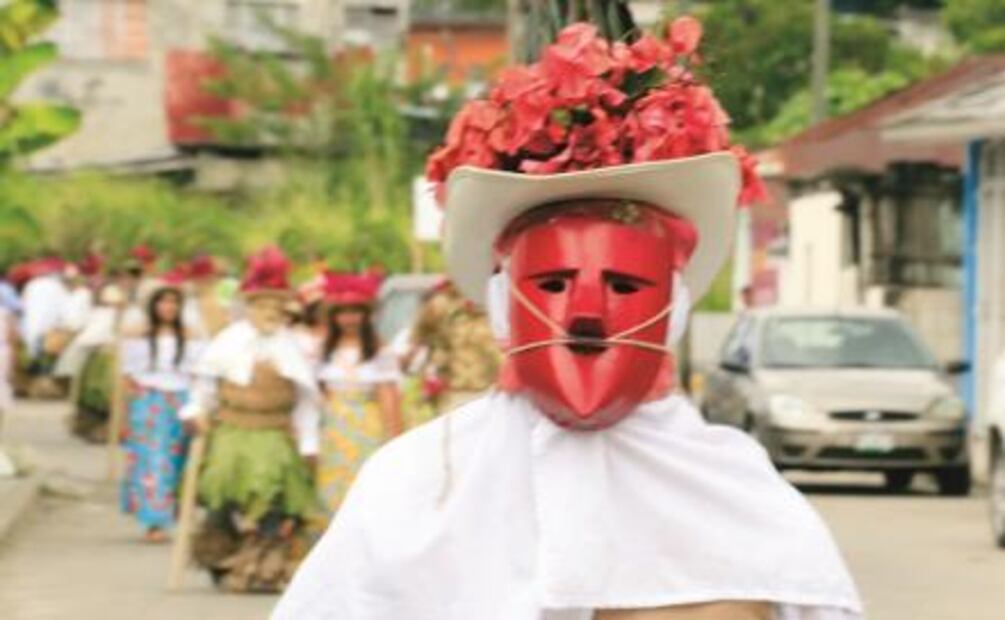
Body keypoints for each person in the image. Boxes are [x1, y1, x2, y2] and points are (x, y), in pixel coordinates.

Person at [274, 19, 862, 620]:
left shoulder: (736, 489)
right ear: (505, 304)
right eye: (553, 283)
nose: (585, 315)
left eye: (624, 284)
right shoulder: (418, 481)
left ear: (673, 307)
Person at [180, 246, 322, 593]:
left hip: (273, 433)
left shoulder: (292, 346)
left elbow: (307, 399)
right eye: (263, 304)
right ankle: (218, 554)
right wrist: (196, 412)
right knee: (221, 494)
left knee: (274, 498)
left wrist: (308, 442)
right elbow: (205, 382)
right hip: (231, 431)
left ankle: (264, 564)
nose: (270, 312)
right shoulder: (228, 342)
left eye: (277, 305)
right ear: (249, 306)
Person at [118, 280, 205, 542]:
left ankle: (171, 508)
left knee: (178, 458)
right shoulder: (138, 336)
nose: (168, 307)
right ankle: (154, 520)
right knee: (154, 459)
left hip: (182, 401)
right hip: (150, 401)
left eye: (173, 302)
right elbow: (128, 376)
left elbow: (199, 374)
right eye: (163, 301)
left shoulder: (191, 337)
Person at [315, 272, 402, 516]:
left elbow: (389, 397)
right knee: (333, 486)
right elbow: (316, 395)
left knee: (365, 484)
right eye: (342, 312)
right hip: (333, 429)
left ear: (366, 315)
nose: (349, 318)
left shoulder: (380, 352)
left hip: (367, 427)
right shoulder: (322, 351)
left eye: (356, 311)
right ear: (333, 317)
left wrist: (393, 439)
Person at [408, 280, 502, 415]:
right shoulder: (440, 303)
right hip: (456, 393)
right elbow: (418, 340)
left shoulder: (498, 294)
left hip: (495, 393)